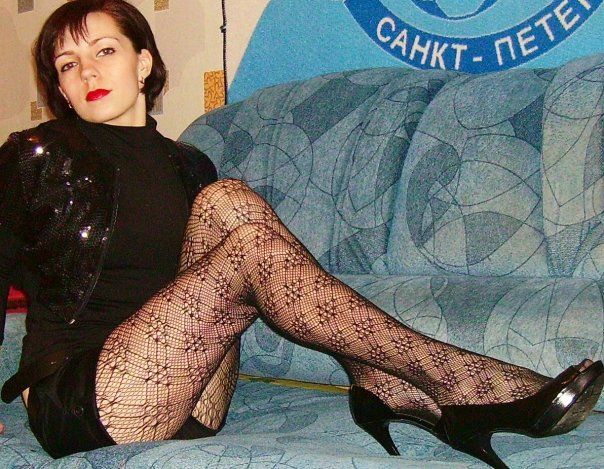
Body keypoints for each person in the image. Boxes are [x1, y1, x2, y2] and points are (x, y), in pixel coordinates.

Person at [0, 1, 602, 467]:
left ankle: (386, 378)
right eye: (68, 64)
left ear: (143, 63)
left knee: (228, 200)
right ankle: (448, 379)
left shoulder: (189, 164)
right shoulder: (36, 154)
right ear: (61, 86)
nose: (87, 71)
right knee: (244, 238)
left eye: (105, 50)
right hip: (90, 397)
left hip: (193, 393)